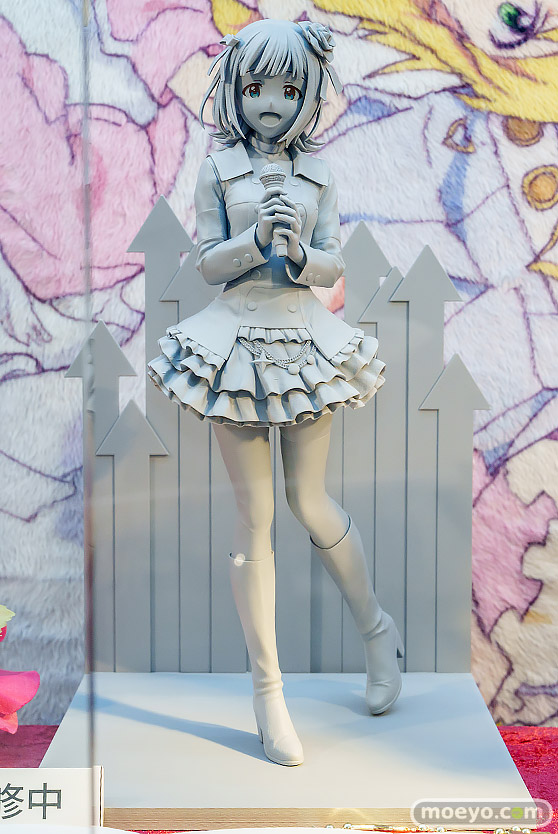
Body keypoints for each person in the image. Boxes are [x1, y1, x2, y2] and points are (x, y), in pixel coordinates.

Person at [148, 18, 403, 767]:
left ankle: (377, 631)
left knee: (309, 501)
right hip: (233, 341)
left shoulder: (319, 176)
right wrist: (253, 243)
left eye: (287, 89)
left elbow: (331, 265)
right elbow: (206, 263)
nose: (269, 101)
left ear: (308, 95)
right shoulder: (217, 169)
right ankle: (269, 693)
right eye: (256, 85)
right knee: (254, 515)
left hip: (301, 339)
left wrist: (297, 254)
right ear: (234, 87)